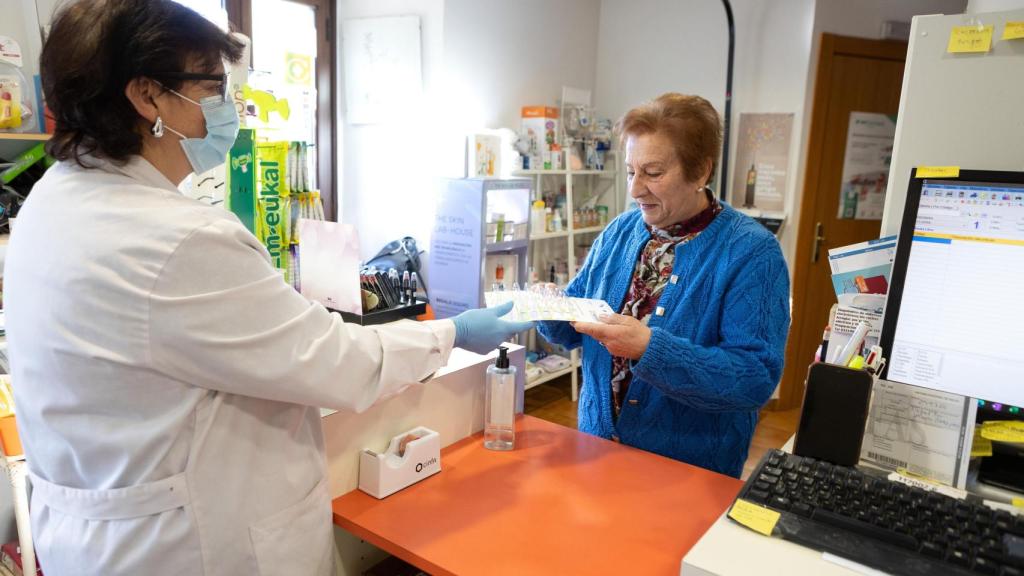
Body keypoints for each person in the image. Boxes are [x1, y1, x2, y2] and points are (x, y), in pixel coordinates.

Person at [3, 1, 530, 574]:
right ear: (147, 95)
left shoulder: (52, 201)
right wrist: (453, 332)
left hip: (92, 536)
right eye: (213, 85)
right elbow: (339, 364)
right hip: (193, 544)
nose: (231, 107)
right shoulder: (176, 240)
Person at [537, 93, 790, 478]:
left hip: (688, 472)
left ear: (701, 172)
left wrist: (650, 349)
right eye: (630, 171)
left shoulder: (752, 252)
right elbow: (574, 330)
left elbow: (753, 378)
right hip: (596, 453)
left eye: (653, 173)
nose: (636, 189)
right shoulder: (619, 231)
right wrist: (550, 308)